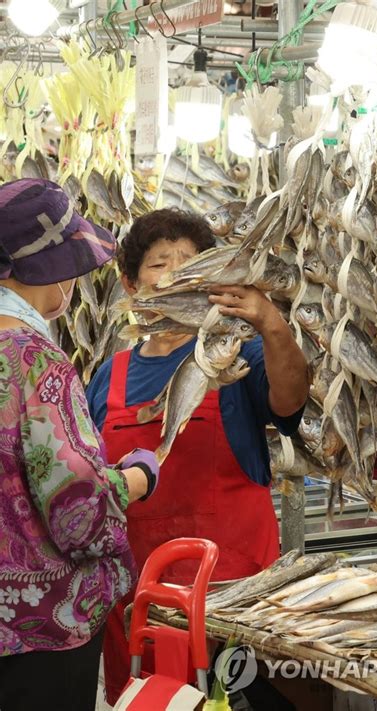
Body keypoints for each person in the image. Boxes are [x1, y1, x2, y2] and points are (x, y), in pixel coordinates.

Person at [86, 207, 310, 704]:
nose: (177, 273)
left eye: (190, 262)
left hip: (233, 599)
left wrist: (271, 323)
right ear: (130, 284)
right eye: (161, 263)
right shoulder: (109, 376)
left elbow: (291, 400)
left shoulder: (237, 354)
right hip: (141, 605)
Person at [0, 179, 159, 711]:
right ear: (47, 268)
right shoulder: (32, 359)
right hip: (38, 632)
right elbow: (77, 508)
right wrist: (137, 476)